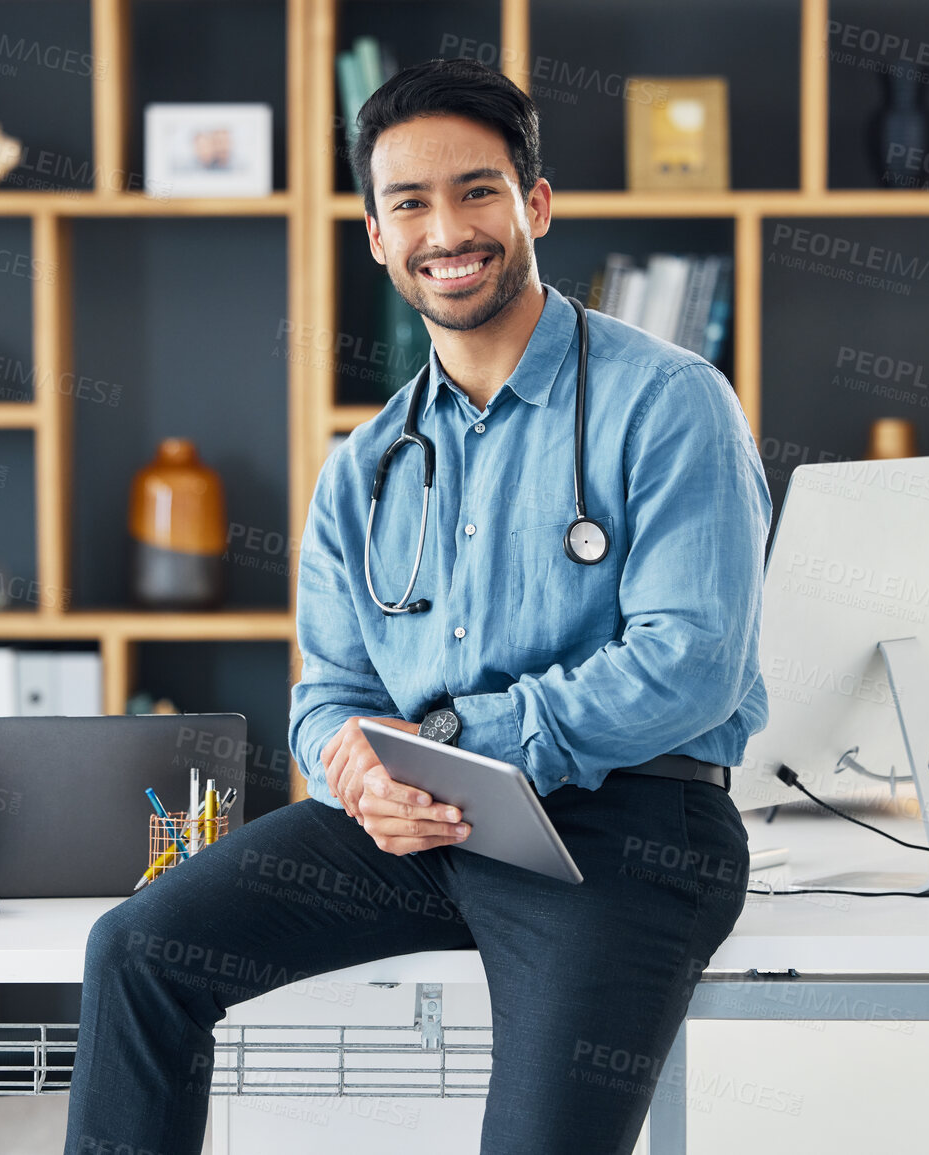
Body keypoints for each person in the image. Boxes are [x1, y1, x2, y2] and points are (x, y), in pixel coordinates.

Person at [64, 57, 771, 1154]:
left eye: (477, 190)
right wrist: (355, 766)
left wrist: (444, 741)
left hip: (628, 830)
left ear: (533, 205)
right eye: (411, 204)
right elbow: (329, 690)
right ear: (378, 238)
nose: (448, 228)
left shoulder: (669, 402)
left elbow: (692, 662)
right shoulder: (364, 463)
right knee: (138, 952)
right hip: (410, 827)